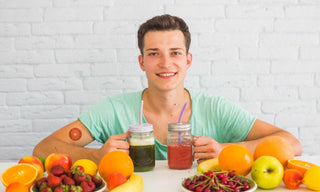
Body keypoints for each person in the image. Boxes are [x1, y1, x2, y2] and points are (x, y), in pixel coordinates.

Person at [33, 14, 302, 165]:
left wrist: (227, 150)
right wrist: (96, 154)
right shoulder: (113, 110)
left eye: (175, 52)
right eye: (153, 53)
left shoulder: (216, 109)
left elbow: (292, 143)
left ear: (188, 60)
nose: (165, 63)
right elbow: (43, 148)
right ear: (141, 62)